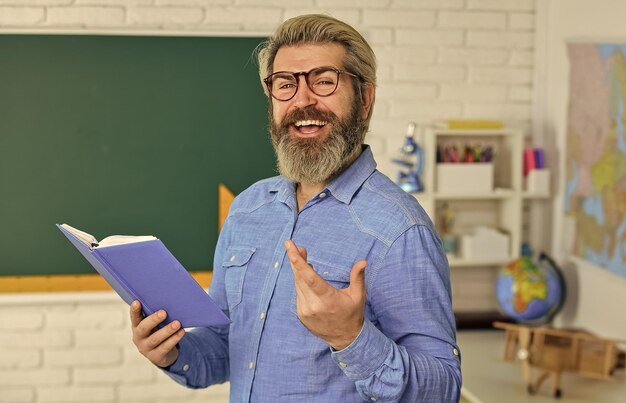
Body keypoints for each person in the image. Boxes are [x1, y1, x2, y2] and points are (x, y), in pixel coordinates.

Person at [130, 14, 462, 402]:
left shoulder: (399, 230)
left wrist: (351, 338)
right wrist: (173, 352)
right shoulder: (248, 209)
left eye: (323, 81)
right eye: (286, 85)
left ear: (365, 99)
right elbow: (226, 350)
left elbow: (443, 390)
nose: (302, 100)